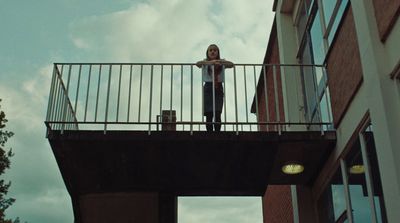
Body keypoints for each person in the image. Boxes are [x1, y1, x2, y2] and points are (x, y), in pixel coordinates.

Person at [196, 44, 234, 132]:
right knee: (209, 113)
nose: (213, 52)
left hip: (218, 87)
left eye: (215, 50)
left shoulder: (221, 62)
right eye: (210, 50)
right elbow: (197, 64)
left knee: (217, 112)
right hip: (208, 87)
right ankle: (209, 132)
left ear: (218, 52)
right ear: (207, 53)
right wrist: (211, 63)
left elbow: (231, 64)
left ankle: (217, 132)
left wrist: (220, 62)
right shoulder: (205, 62)